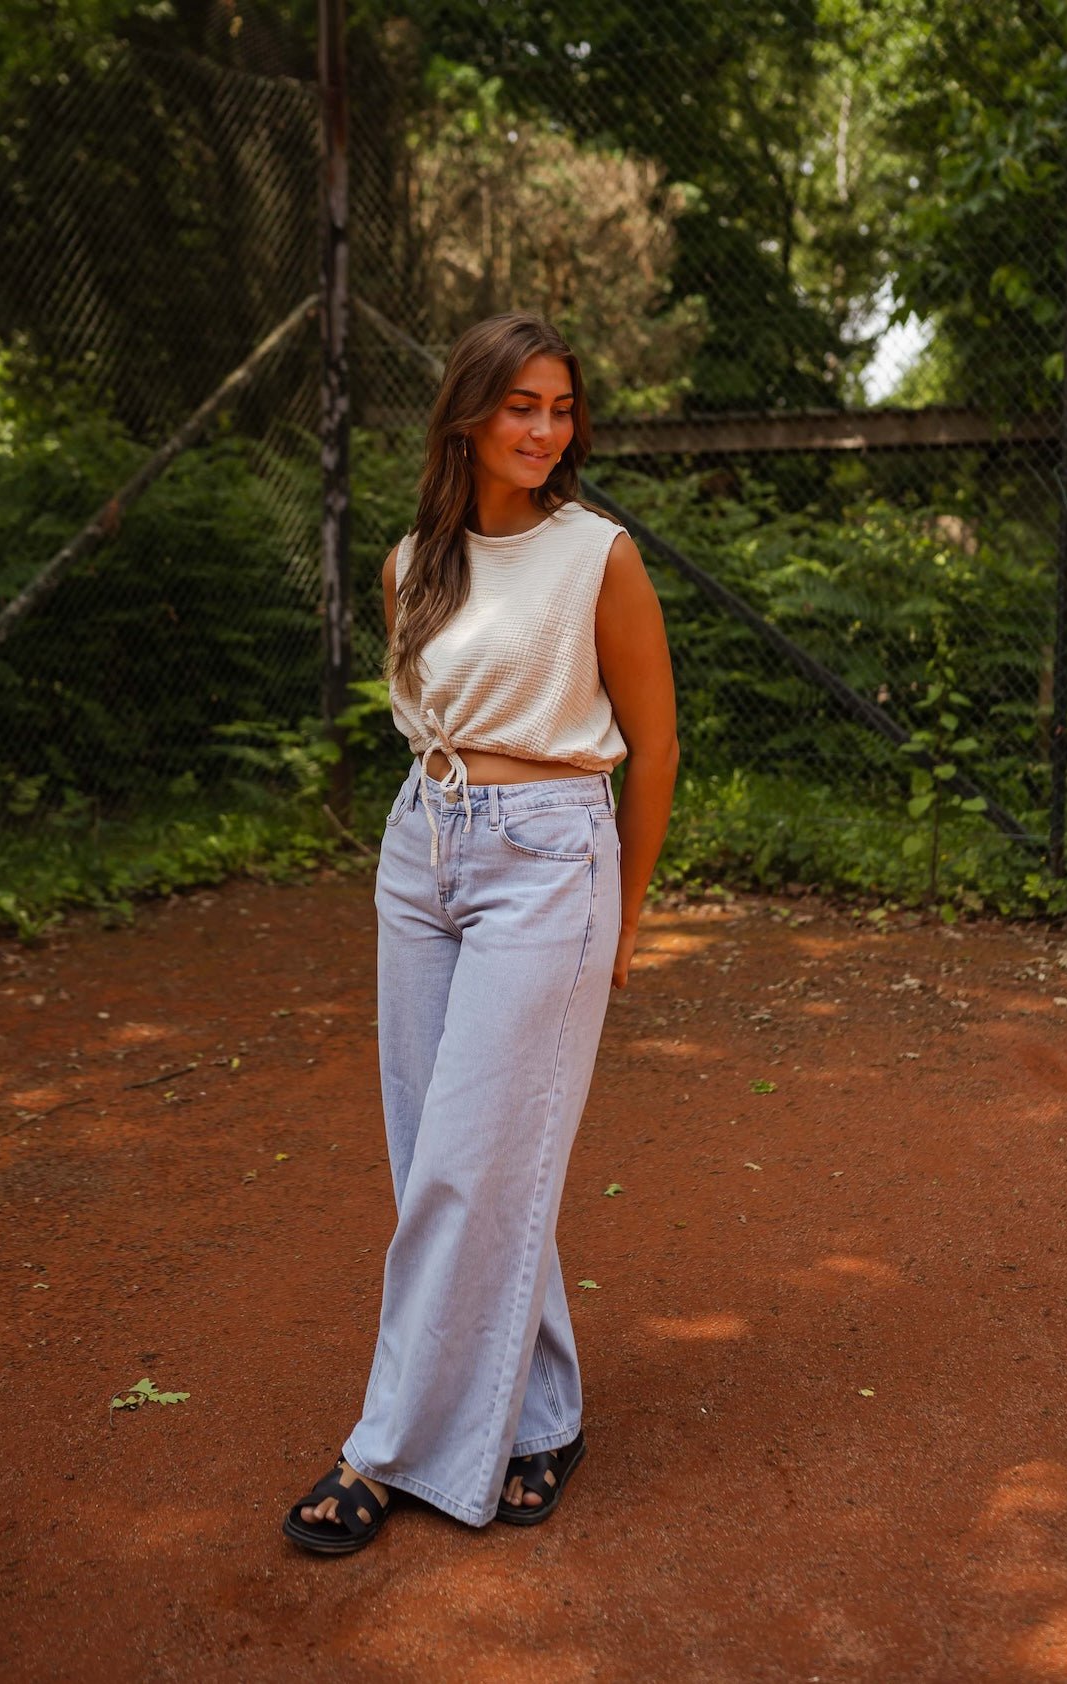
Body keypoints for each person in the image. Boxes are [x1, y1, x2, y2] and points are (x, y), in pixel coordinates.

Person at [283, 312, 678, 1553]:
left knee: (468, 1159)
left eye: (561, 410)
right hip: (423, 848)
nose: (544, 430)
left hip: (551, 859)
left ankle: (381, 1448)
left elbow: (655, 744)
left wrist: (629, 904)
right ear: (469, 415)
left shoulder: (597, 557)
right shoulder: (414, 560)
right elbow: (419, 717)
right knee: (440, 1153)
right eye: (521, 406)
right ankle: (545, 1412)